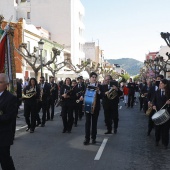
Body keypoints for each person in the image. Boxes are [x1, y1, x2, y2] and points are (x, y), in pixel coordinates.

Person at [0, 73, 17, 170]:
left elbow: (9, 117)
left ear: (6, 84)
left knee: (5, 160)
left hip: (3, 135)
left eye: (0, 82)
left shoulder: (11, 98)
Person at [83, 72, 102, 145]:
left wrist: (98, 91)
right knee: (87, 123)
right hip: (87, 106)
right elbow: (83, 93)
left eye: (95, 77)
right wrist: (82, 97)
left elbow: (102, 96)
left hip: (95, 107)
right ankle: (86, 138)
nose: (94, 78)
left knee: (94, 123)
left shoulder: (99, 86)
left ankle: (93, 138)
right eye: (93, 77)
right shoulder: (86, 86)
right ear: (90, 78)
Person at [153, 79, 170, 149]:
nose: (160, 84)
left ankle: (165, 143)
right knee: (157, 129)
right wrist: (153, 105)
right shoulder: (157, 92)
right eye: (160, 83)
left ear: (165, 85)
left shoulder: (168, 92)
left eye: (161, 83)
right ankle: (157, 140)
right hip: (158, 112)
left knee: (166, 129)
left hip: (166, 113)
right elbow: (154, 100)